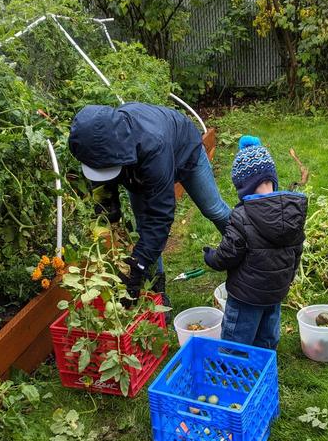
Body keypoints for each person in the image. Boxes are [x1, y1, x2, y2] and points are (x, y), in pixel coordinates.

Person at [68, 103, 231, 302]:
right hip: (138, 166)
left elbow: (160, 215)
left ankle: (246, 249)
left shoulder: (153, 145)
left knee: (213, 209)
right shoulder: (99, 145)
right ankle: (156, 293)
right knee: (143, 228)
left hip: (184, 150)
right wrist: (110, 216)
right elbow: (103, 188)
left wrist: (138, 265)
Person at [202, 136, 307, 349]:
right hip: (276, 291)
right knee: (267, 337)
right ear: (273, 178)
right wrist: (287, 277)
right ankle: (263, 370)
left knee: (237, 338)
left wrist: (211, 257)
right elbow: (297, 251)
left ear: (243, 186)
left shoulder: (241, 216)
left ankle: (233, 371)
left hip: (245, 295)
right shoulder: (292, 212)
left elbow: (229, 254)